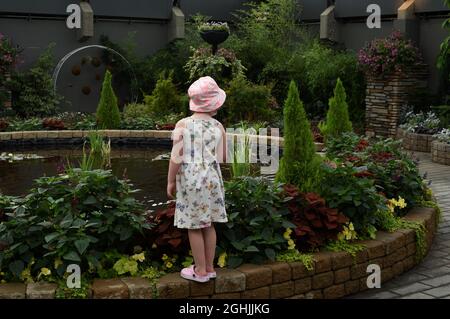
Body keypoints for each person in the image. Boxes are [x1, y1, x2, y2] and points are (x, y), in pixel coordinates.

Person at [167, 76, 228, 283]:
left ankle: (199, 270)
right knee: (209, 224)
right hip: (212, 178)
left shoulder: (183, 124)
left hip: (191, 180)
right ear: (214, 103)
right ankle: (210, 268)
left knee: (194, 225)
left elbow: (176, 157)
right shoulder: (219, 126)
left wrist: (170, 181)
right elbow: (223, 157)